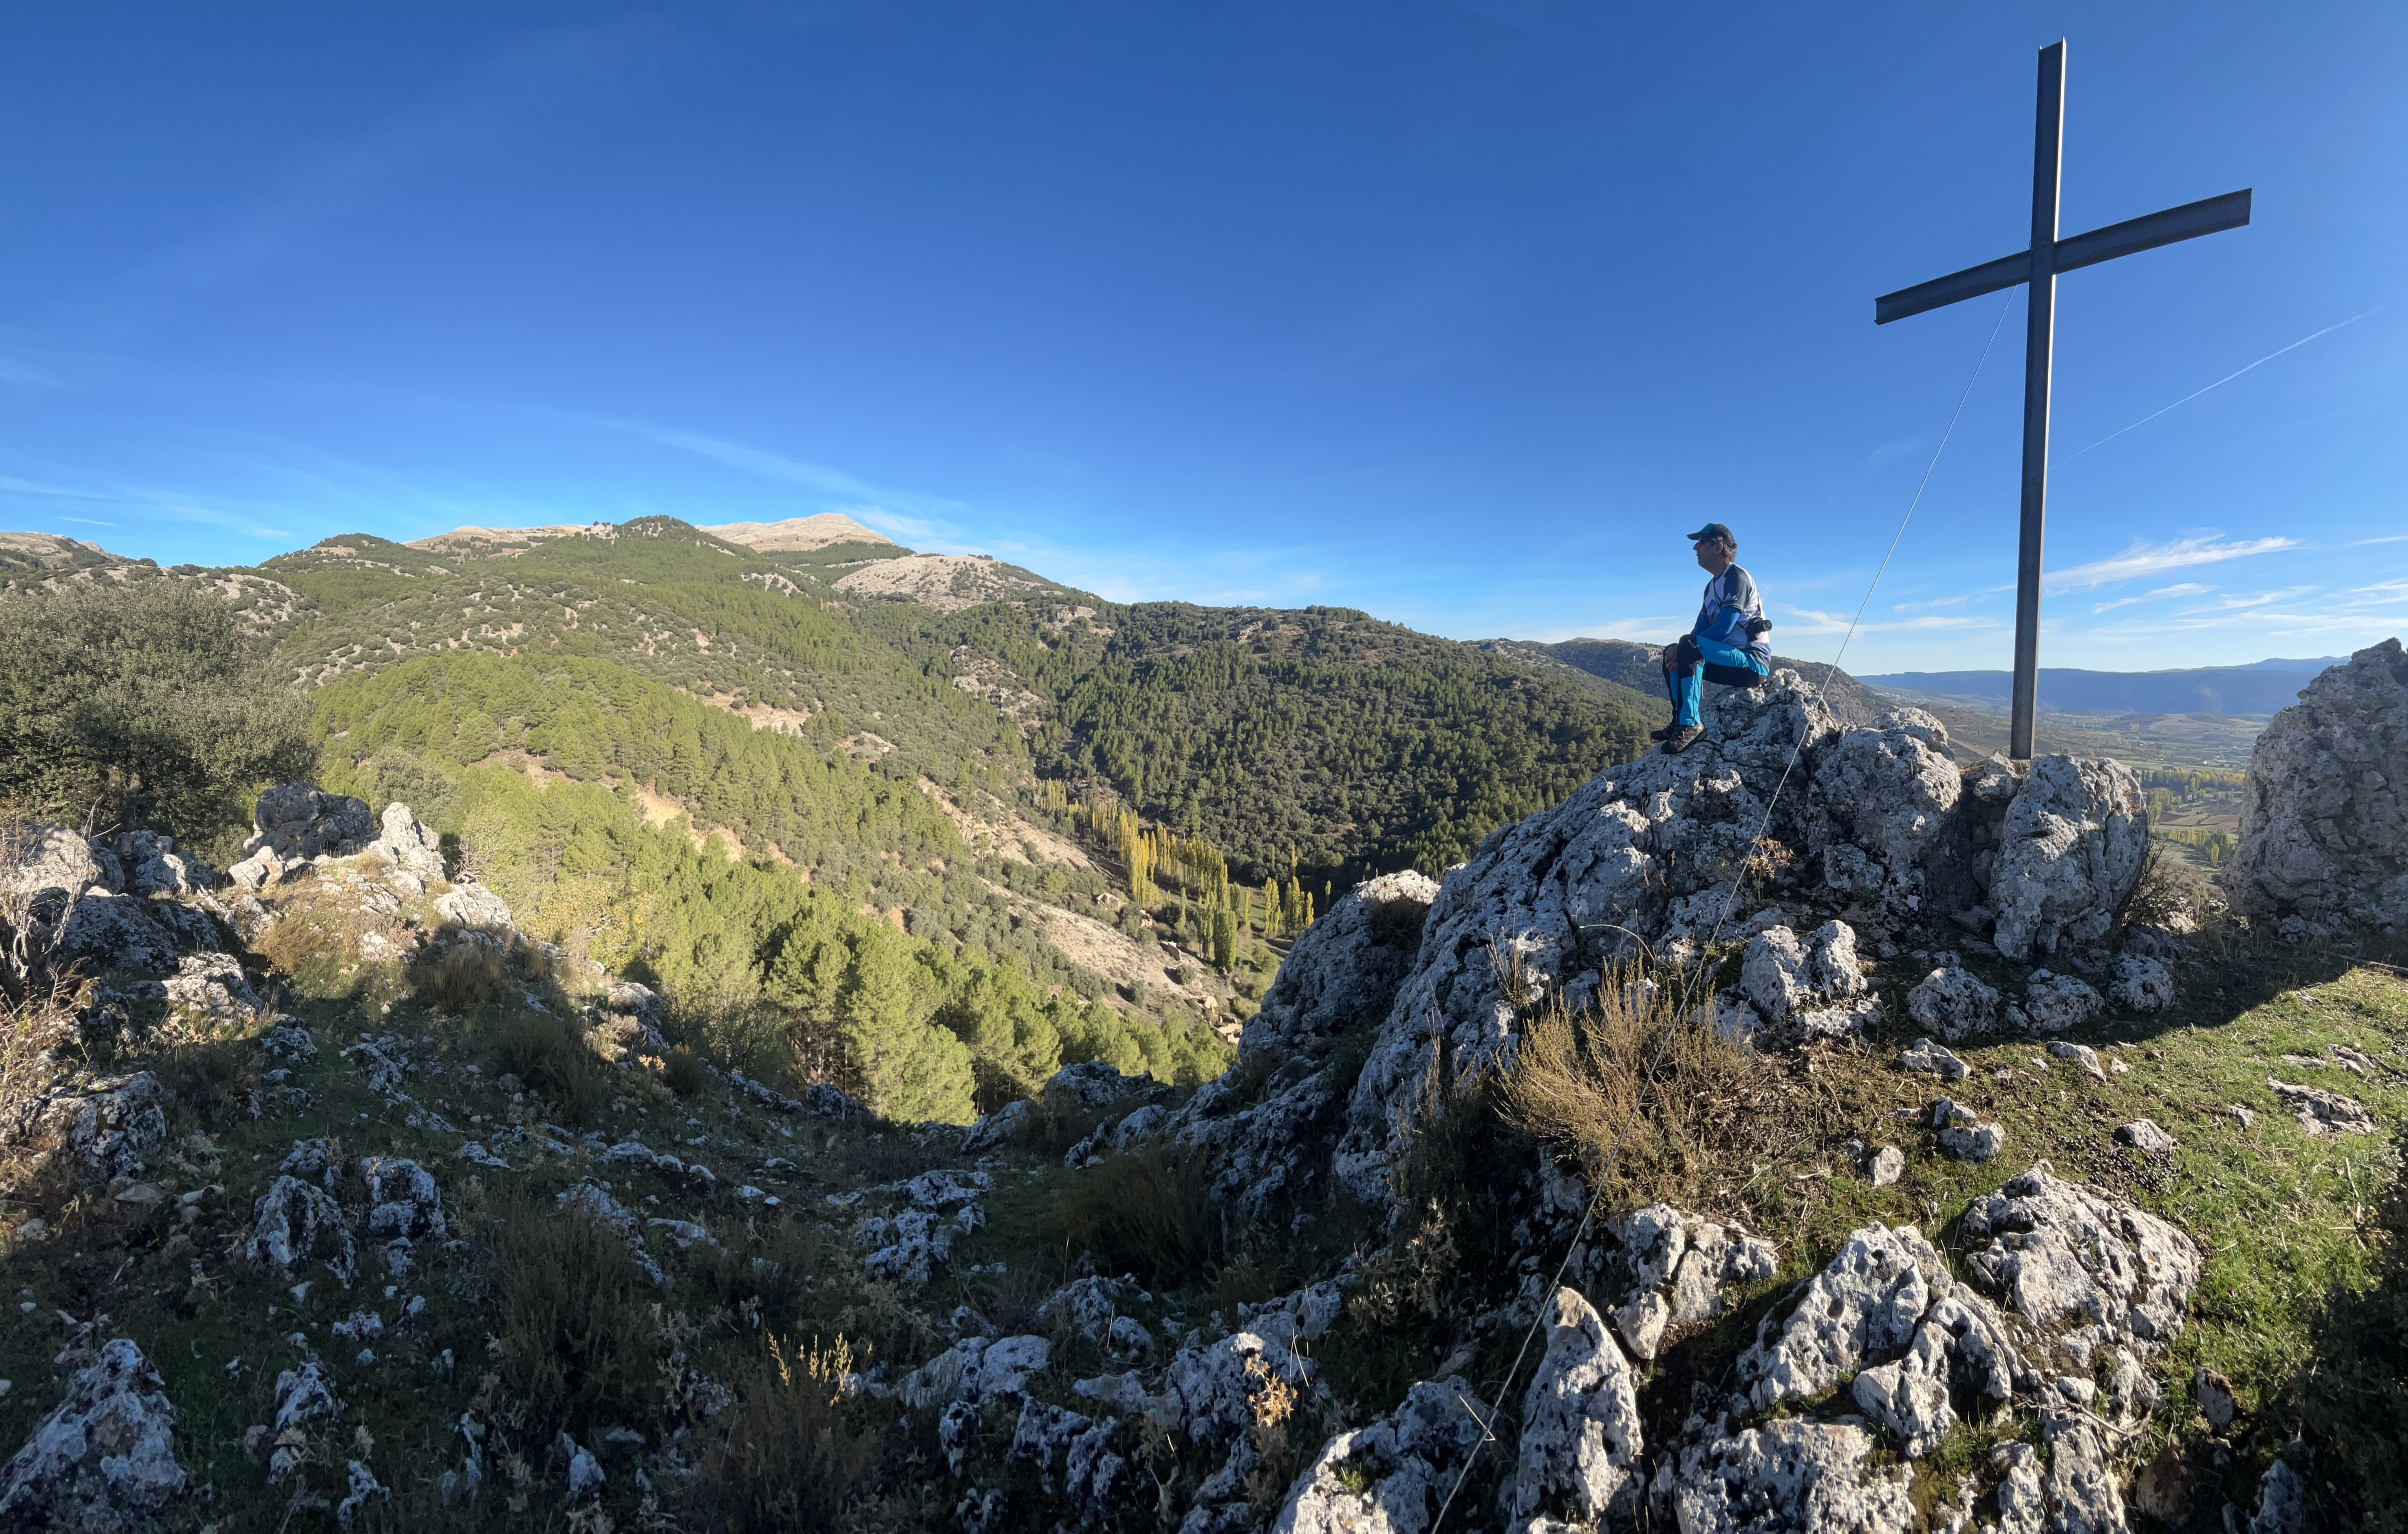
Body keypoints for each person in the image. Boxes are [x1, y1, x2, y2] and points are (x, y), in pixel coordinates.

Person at [1657, 522, 1772, 753]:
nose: (1696, 548)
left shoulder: (1737, 578)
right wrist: (1678, 651)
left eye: (1701, 543)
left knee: (1687, 646)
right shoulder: (1711, 588)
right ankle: (1679, 722)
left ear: (1719, 546)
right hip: (1728, 659)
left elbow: (1724, 628)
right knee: (1674, 649)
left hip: (1752, 663)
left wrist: (1687, 647)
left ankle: (1691, 725)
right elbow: (1699, 630)